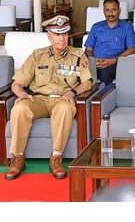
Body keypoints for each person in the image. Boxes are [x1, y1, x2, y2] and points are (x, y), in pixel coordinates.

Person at [4, 15, 94, 180]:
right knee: (20, 108)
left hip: (62, 99)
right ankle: (17, 158)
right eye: (58, 34)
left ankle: (56, 157)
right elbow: (16, 83)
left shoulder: (78, 56)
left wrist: (71, 93)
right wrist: (23, 94)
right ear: (49, 36)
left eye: (65, 34)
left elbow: (87, 83)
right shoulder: (37, 55)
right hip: (38, 99)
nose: (62, 38)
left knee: (65, 108)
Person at [84, 0, 135, 85]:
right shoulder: (96, 27)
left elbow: (131, 49)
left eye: (113, 10)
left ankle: (104, 97)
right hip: (96, 62)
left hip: (115, 62)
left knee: (105, 74)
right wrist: (93, 61)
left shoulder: (127, 27)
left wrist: (114, 60)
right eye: (107, 10)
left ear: (119, 10)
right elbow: (88, 49)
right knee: (84, 73)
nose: (110, 13)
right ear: (103, 11)